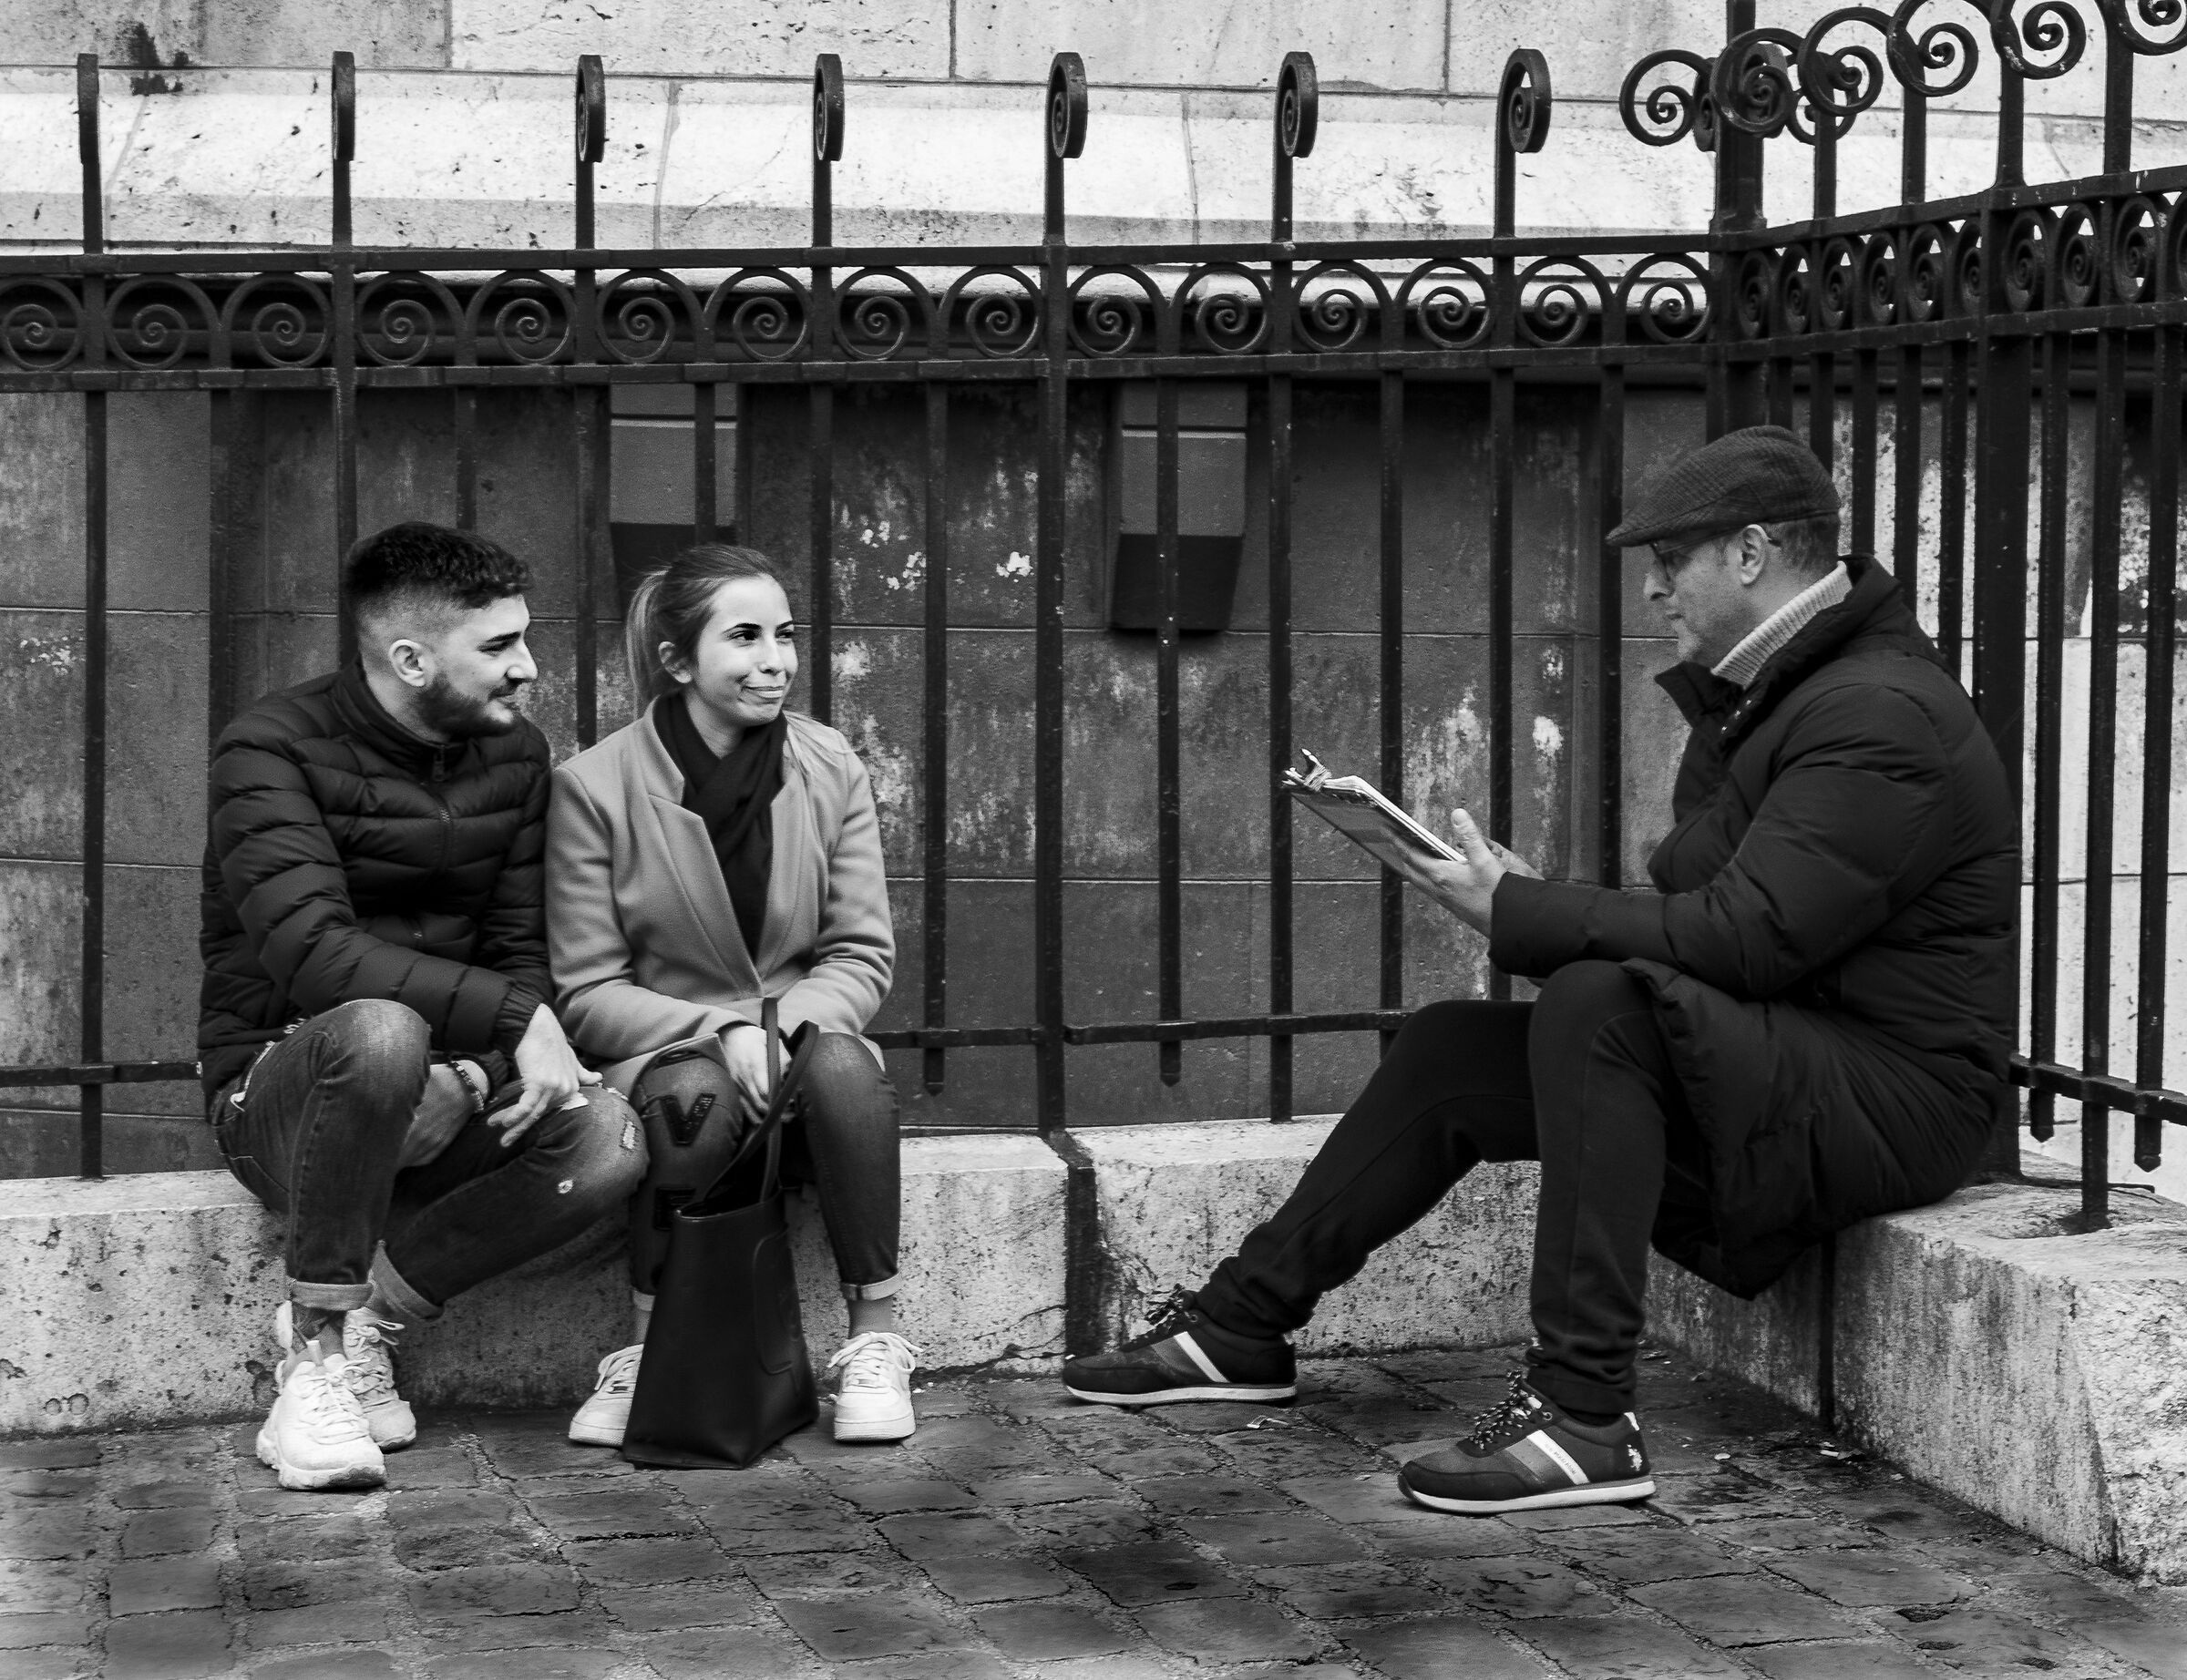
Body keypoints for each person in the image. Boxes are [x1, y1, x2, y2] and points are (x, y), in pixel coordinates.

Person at [1061, 425, 2018, 1515]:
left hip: (1894, 1095)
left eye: (1671, 563)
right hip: (1800, 1055)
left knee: (1600, 1005)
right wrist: (1536, 900)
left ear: (1751, 553)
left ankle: (1583, 1415)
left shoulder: (1877, 711)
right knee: (1452, 1048)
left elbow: (1752, 936)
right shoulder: (1787, 691)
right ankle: (1243, 1321)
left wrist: (1531, 912)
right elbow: (1749, 921)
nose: (1654, 592)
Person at [202, 522, 648, 1492]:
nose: (528, 667)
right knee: (377, 1027)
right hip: (284, 1096)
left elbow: (524, 950)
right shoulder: (266, 751)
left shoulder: (516, 758)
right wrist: (511, 1024)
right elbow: (317, 957)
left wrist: (478, 1071)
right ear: (409, 657)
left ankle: (368, 1318)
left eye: (523, 637)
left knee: (608, 1132)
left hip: (443, 1093)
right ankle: (313, 1368)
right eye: (498, 646)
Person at [547, 543, 913, 1447]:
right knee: (685, 1099)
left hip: (802, 1048)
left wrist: (777, 1029)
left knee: (842, 1067)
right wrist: (724, 1028)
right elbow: (589, 990)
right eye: (744, 637)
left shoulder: (830, 766)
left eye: (784, 636)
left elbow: (860, 955)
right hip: (672, 1054)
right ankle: (649, 1352)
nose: (776, 659)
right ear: (679, 661)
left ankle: (877, 1337)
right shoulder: (594, 787)